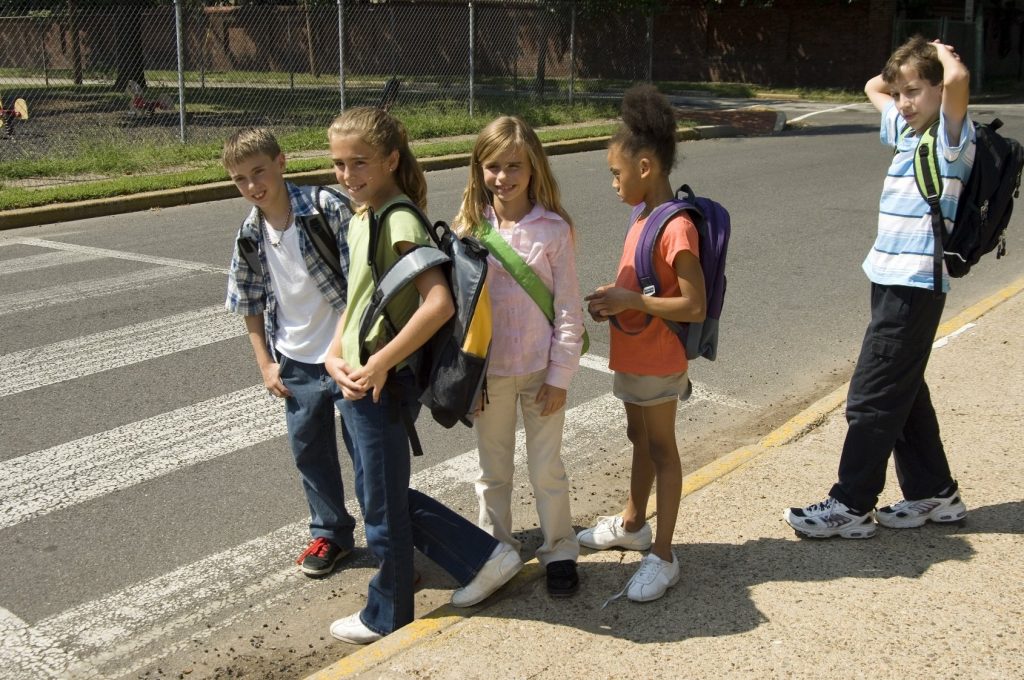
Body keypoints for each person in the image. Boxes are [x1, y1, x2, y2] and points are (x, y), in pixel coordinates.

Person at [324, 107, 522, 645]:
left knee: (383, 504)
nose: (347, 174)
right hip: (356, 375)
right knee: (378, 491)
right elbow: (362, 295)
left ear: (391, 159)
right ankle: (484, 558)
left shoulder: (398, 217)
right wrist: (331, 352)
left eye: (360, 162)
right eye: (339, 164)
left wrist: (381, 361)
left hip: (382, 380)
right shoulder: (362, 214)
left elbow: (436, 303)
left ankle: (387, 614)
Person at [785, 36, 973, 539]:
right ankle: (935, 492)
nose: (904, 101)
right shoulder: (907, 131)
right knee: (903, 392)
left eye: (915, 90)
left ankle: (850, 505)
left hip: (915, 282)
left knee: (871, 396)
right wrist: (906, 71)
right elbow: (874, 85)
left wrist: (941, 51)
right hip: (891, 279)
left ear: (938, 89)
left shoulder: (952, 137)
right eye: (902, 92)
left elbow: (956, 81)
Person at [580, 85, 706, 602]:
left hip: (658, 358)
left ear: (647, 166)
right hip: (635, 355)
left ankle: (665, 555)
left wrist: (631, 302)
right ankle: (634, 522)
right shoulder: (641, 215)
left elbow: (693, 306)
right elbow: (642, 287)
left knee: (662, 449)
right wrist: (614, 302)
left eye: (617, 172)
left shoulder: (676, 227)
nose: (614, 182)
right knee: (639, 439)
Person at [452, 116, 584, 598]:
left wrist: (560, 376)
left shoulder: (553, 230)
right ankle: (496, 554)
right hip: (489, 377)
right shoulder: (468, 228)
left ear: (533, 169)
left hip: (541, 372)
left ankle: (560, 550)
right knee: (492, 473)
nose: (503, 178)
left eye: (514, 167)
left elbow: (569, 308)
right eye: (493, 167)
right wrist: (468, 380)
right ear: (478, 169)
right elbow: (461, 314)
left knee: (547, 468)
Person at [223, 127, 358, 578]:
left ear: (281, 163)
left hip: (347, 354)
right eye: (240, 179)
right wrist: (265, 361)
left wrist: (344, 347)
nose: (252, 186)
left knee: (366, 452)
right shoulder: (250, 232)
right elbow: (248, 298)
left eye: (258, 172)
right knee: (309, 451)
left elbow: (362, 281)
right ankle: (331, 534)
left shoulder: (325, 208)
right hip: (295, 361)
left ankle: (387, 537)